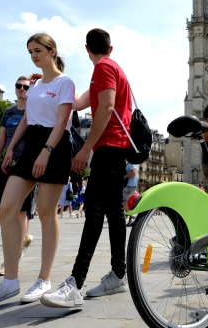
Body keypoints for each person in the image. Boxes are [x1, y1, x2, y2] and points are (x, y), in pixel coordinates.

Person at [0, 33, 75, 308]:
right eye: (31, 51)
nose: (34, 55)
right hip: (31, 143)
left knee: (45, 212)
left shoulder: (65, 82)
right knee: (7, 207)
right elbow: (28, 119)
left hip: (55, 146)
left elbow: (62, 120)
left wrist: (47, 152)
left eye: (39, 50)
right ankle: (10, 280)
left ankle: (44, 279)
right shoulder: (36, 86)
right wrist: (10, 148)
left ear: (52, 51)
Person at [41, 28, 131, 308]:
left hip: (109, 146)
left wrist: (86, 147)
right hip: (119, 148)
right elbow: (78, 102)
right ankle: (118, 273)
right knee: (115, 213)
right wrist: (47, 84)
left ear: (86, 48)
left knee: (93, 210)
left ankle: (75, 284)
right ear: (110, 48)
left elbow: (105, 108)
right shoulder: (111, 67)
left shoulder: (103, 68)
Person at [0, 76, 34, 276]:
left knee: (21, 212)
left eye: (26, 87)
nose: (22, 89)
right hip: (7, 163)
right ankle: (20, 238)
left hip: (27, 163)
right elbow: (0, 140)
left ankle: (12, 260)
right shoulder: (8, 112)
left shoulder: (36, 109)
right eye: (18, 86)